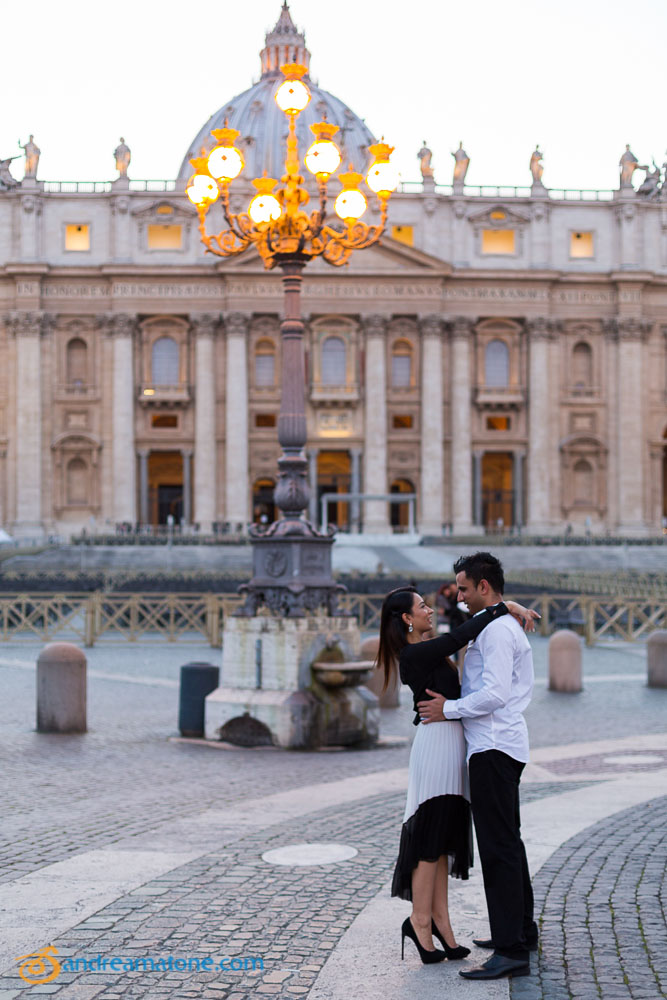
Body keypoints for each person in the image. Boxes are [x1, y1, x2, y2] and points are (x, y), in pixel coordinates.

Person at [376, 586, 537, 965]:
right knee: (430, 836)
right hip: (435, 748)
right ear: (406, 619)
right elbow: (460, 635)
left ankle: (442, 924)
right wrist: (502, 608)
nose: (430, 610)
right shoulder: (413, 652)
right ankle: (419, 920)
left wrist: (503, 607)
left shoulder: (426, 650)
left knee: (445, 838)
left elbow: (463, 635)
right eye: (422, 607)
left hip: (453, 745)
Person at [418, 552, 538, 980]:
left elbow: (494, 695)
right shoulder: (497, 624)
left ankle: (510, 951)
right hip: (500, 745)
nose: (459, 597)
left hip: (492, 747)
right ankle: (521, 930)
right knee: (509, 841)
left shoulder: (497, 633)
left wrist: (448, 708)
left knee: (498, 847)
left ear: (483, 587)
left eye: (464, 589)